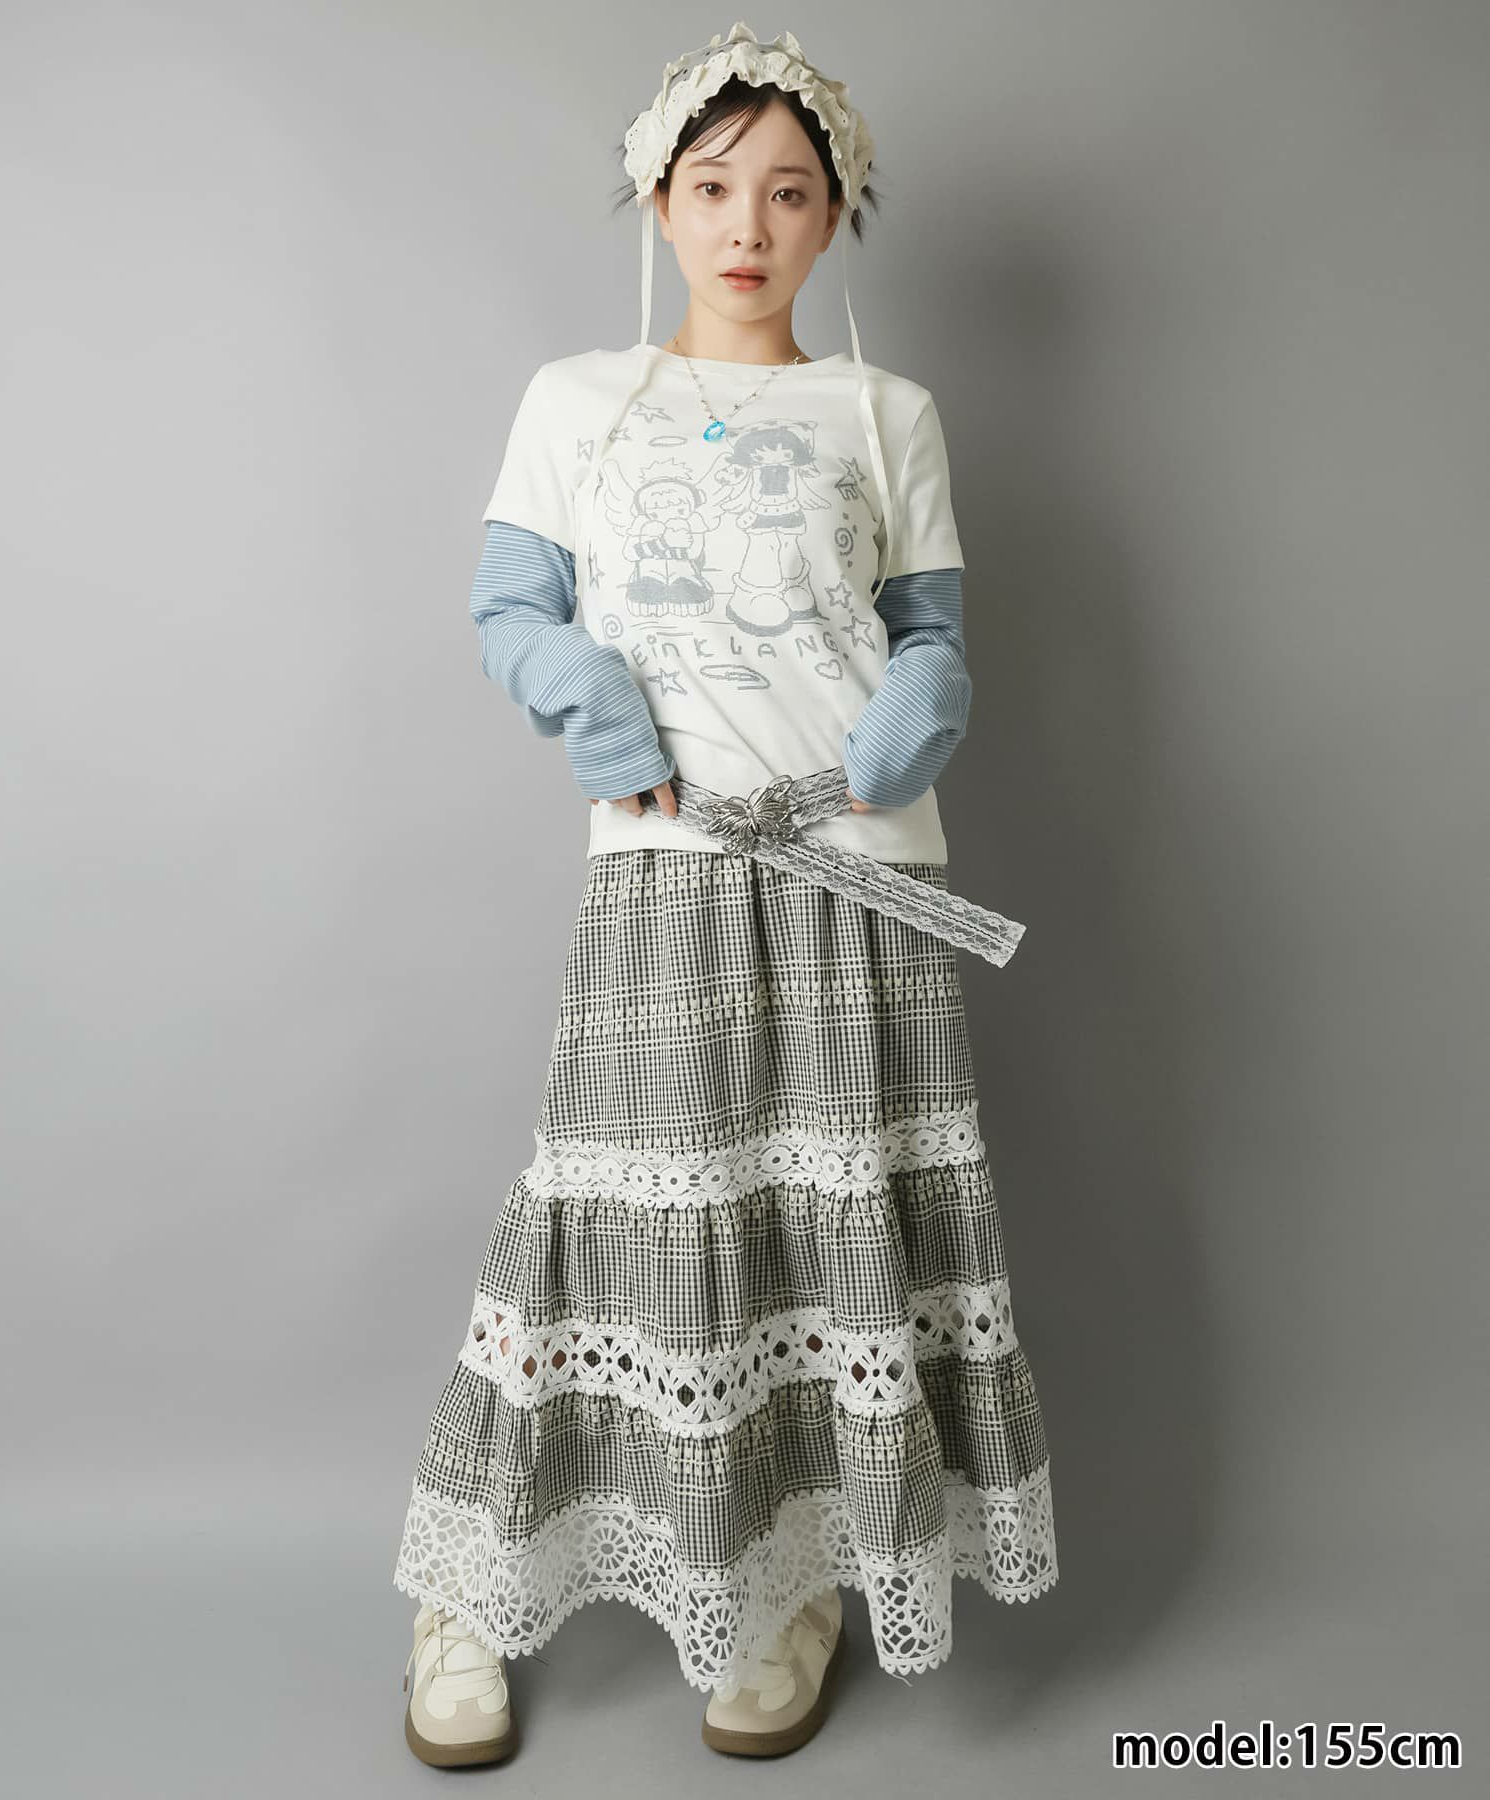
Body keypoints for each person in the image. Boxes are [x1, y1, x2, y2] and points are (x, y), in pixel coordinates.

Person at [393, 21, 1059, 1769]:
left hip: (864, 878)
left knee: (824, 1235)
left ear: (835, 217)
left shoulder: (888, 415)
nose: (747, 224)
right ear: (661, 203)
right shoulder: (576, 402)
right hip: (671, 867)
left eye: (787, 192)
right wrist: (584, 697)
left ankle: (788, 1586)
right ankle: (472, 1590)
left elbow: (928, 634)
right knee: (611, 1220)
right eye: (711, 188)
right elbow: (510, 609)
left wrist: (925, 702)